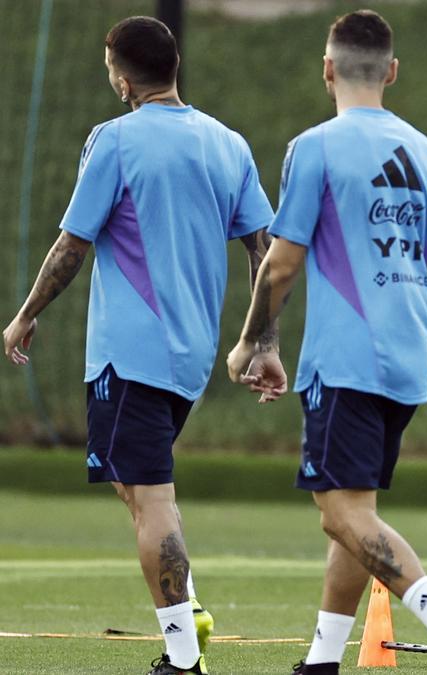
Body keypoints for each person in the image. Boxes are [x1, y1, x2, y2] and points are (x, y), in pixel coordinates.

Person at [2, 16, 276, 675]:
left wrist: (25, 315)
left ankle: (183, 656)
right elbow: (264, 249)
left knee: (147, 497)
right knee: (138, 485)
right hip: (190, 355)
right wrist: (261, 336)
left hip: (129, 354)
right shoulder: (228, 144)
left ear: (122, 76)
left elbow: (73, 243)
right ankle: (190, 609)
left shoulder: (114, 141)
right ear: (174, 64)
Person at [225, 10, 427, 675]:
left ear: (326, 69)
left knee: (341, 512)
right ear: (392, 72)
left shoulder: (316, 147)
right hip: (406, 362)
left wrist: (252, 341)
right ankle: (322, 661)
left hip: (344, 359)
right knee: (353, 515)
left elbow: (281, 263)